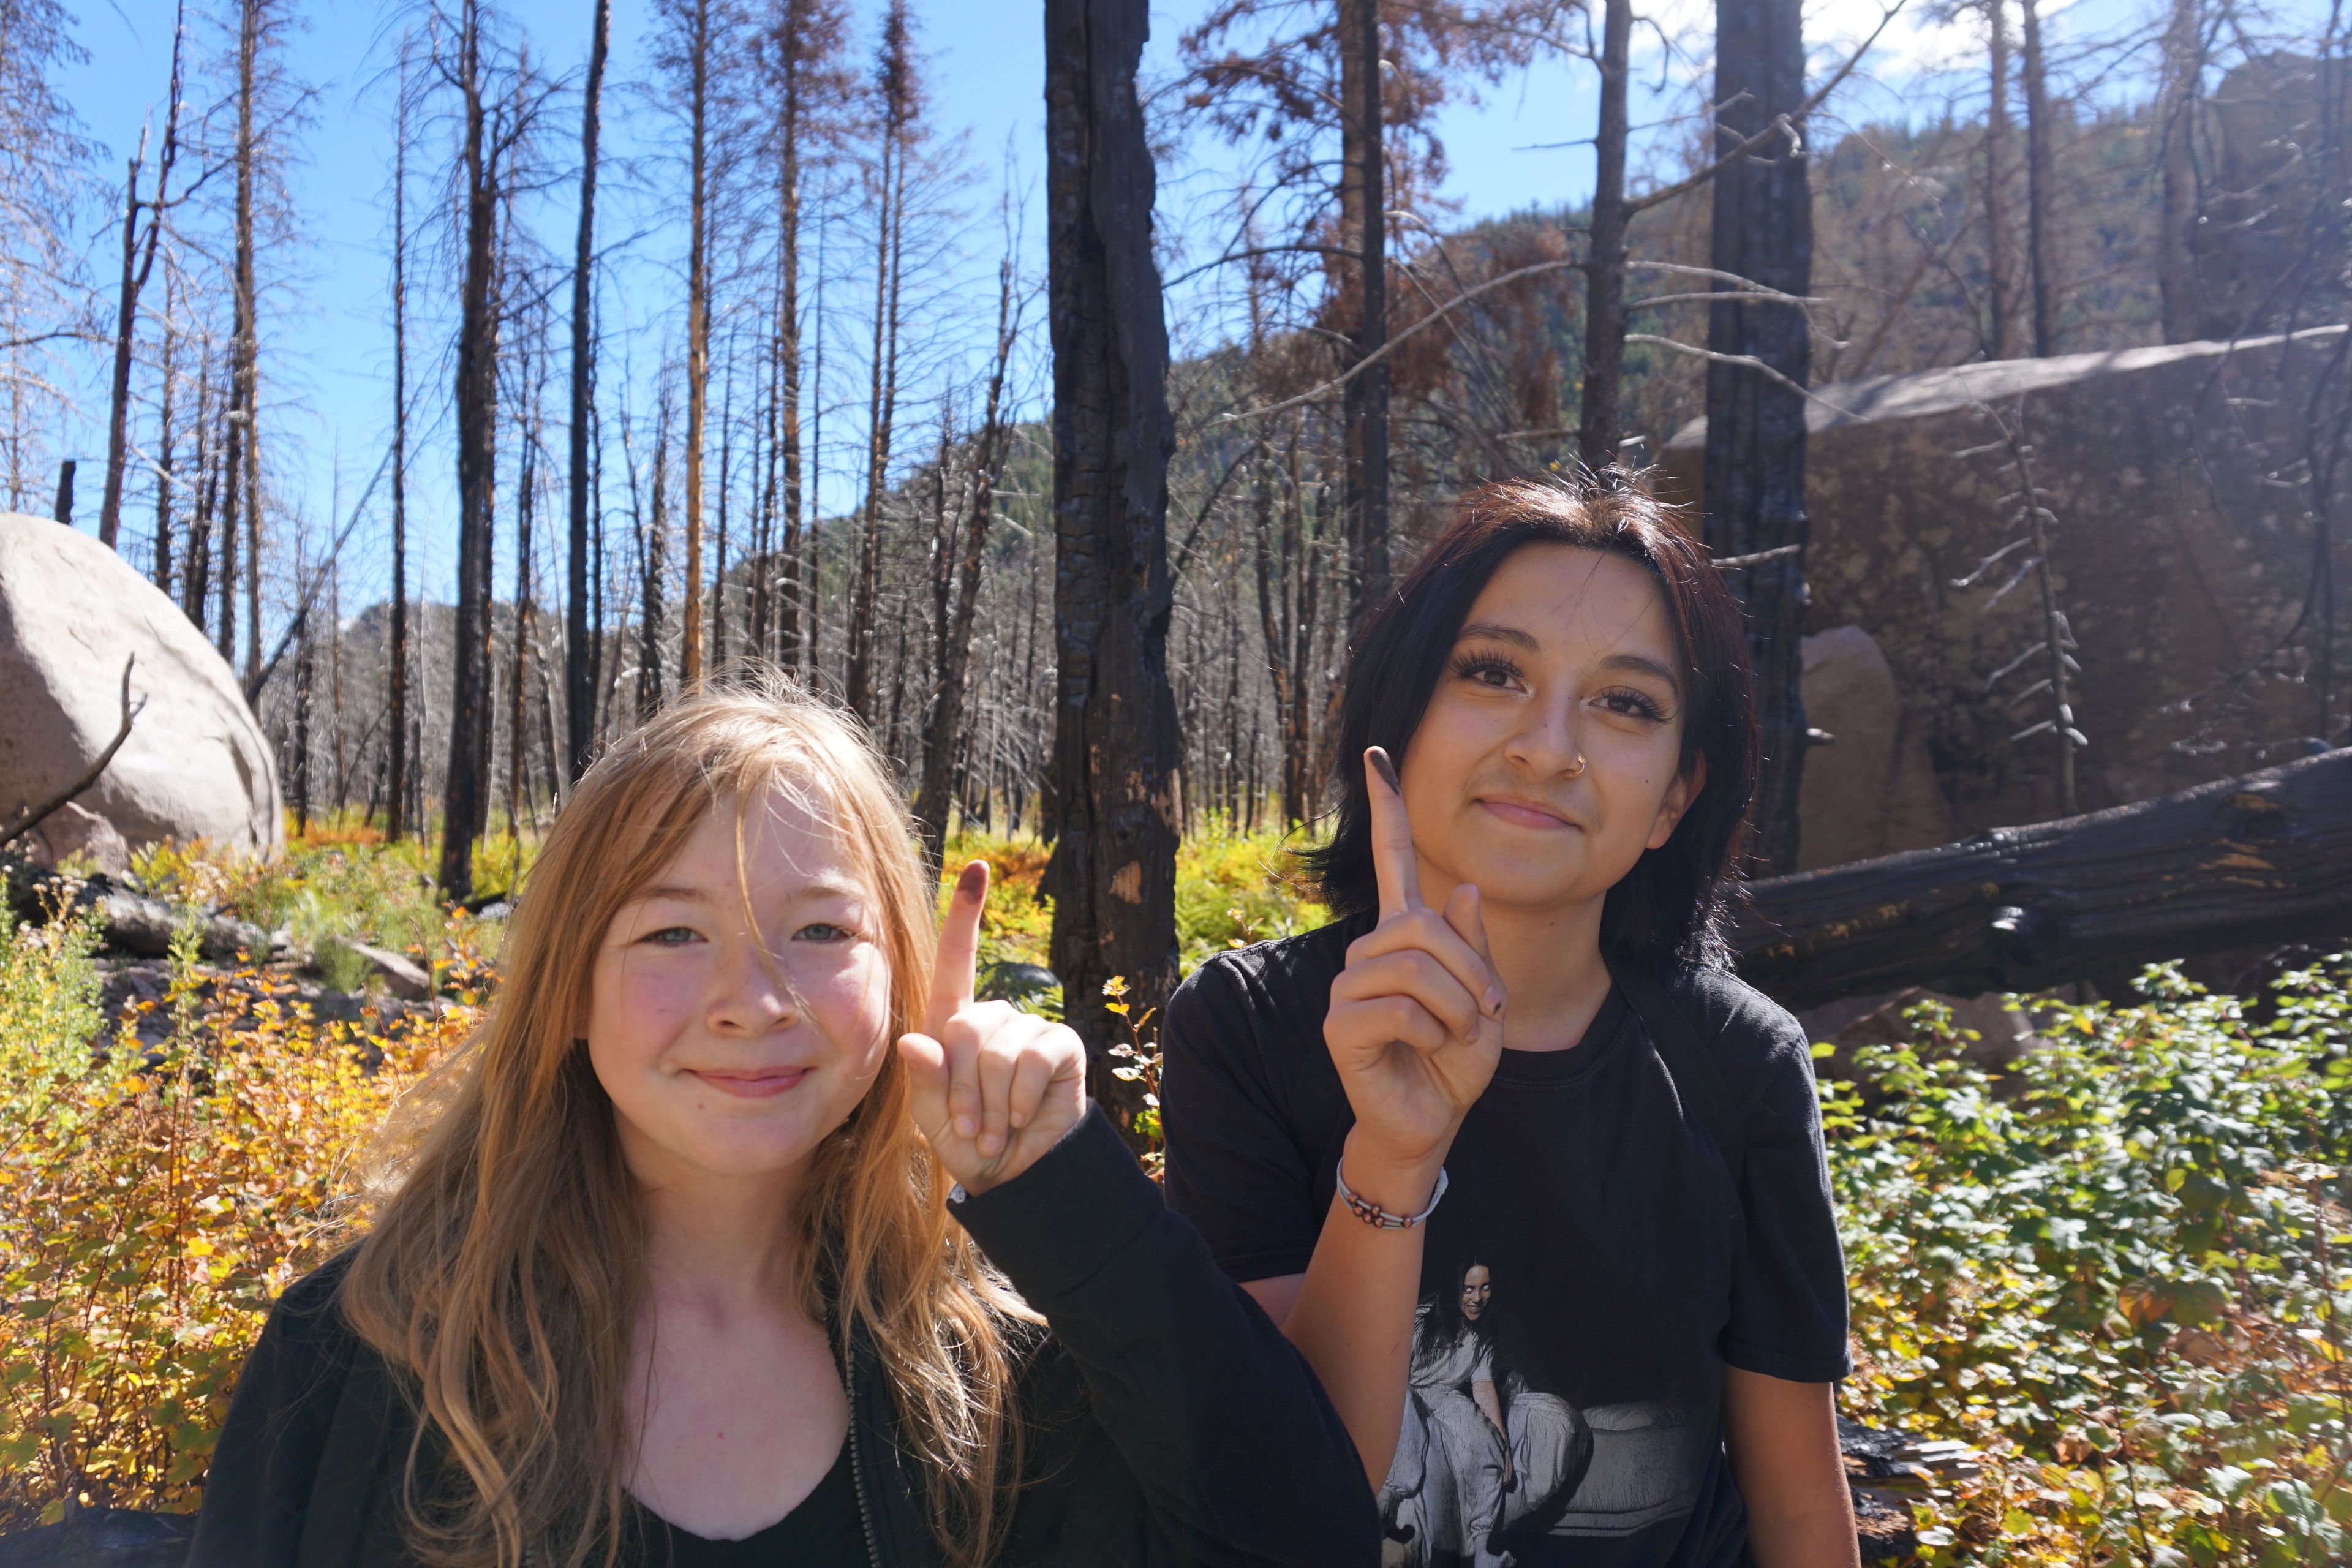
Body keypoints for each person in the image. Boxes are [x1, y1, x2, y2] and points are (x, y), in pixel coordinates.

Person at [189, 682, 1376, 1568]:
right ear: (567, 985)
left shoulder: (998, 1372)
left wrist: (1065, 1195)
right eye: (672, 931)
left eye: (819, 932)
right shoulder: (365, 1352)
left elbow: (1305, 1533)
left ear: (902, 976)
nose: (753, 1003)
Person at [1163, 475, 1856, 1568]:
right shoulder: (1245, 1030)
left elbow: (1802, 1518)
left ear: (1677, 797)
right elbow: (1288, 1501)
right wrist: (1392, 1155)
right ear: (1395, 725)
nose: (1548, 746)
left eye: (1626, 703)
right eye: (1493, 673)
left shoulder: (1740, 1066)